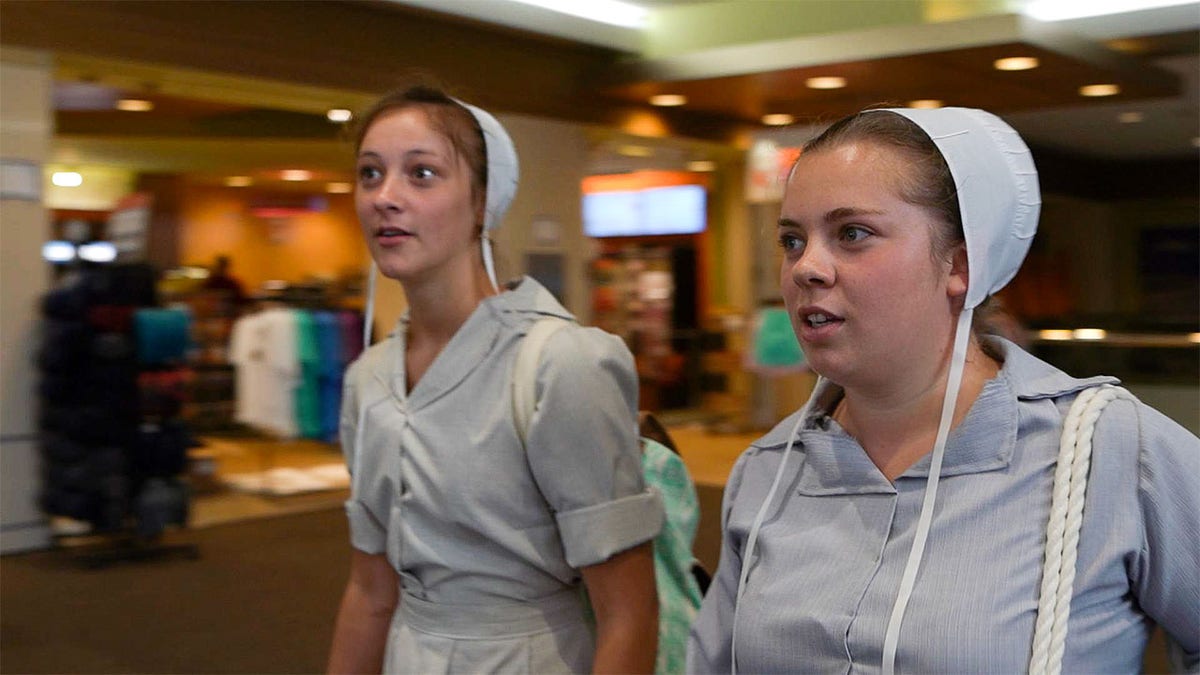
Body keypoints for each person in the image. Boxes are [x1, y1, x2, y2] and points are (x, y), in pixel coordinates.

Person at [687, 107, 1199, 674]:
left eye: (852, 234)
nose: (807, 267)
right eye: (791, 239)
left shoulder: (1107, 449)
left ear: (959, 263)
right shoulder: (770, 470)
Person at [325, 85, 663, 675]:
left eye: (422, 173)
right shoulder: (368, 380)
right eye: (370, 174)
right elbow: (371, 592)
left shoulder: (559, 363)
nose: (386, 197)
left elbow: (629, 613)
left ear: (482, 201)